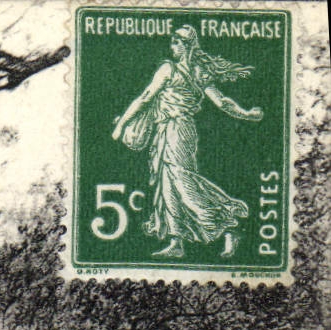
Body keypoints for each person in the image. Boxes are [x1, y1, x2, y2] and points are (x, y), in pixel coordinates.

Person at [111, 25, 263, 258]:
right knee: (167, 184)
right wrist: (246, 114)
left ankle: (229, 224)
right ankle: (176, 242)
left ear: (186, 45)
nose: (172, 47)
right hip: (166, 131)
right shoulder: (197, 71)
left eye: (175, 43)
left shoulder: (171, 69)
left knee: (182, 182)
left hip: (178, 130)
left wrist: (122, 124)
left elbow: (145, 97)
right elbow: (222, 102)